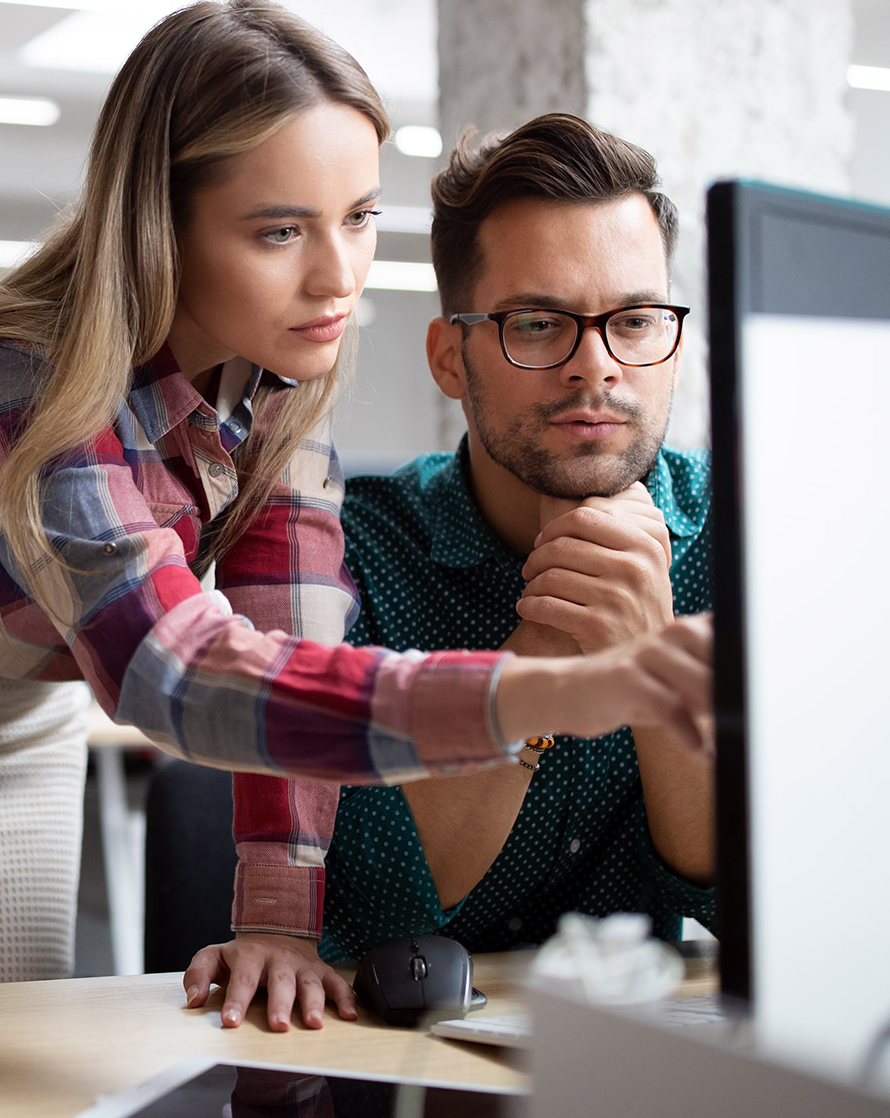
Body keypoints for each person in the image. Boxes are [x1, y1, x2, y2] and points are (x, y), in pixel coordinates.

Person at [0, 0, 714, 1118]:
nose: (339, 276)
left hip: (18, 721)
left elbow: (286, 650)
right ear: (165, 226)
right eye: (281, 231)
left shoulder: (283, 370)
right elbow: (179, 676)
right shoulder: (28, 375)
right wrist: (550, 687)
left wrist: (277, 919)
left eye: (360, 217)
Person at [189, 113, 715, 1032]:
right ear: (449, 356)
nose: (596, 368)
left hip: (639, 1066)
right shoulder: (337, 555)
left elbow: (757, 910)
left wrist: (650, 649)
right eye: (537, 324)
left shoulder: (744, 538)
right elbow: (381, 915)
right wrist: (550, 653)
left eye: (634, 321)